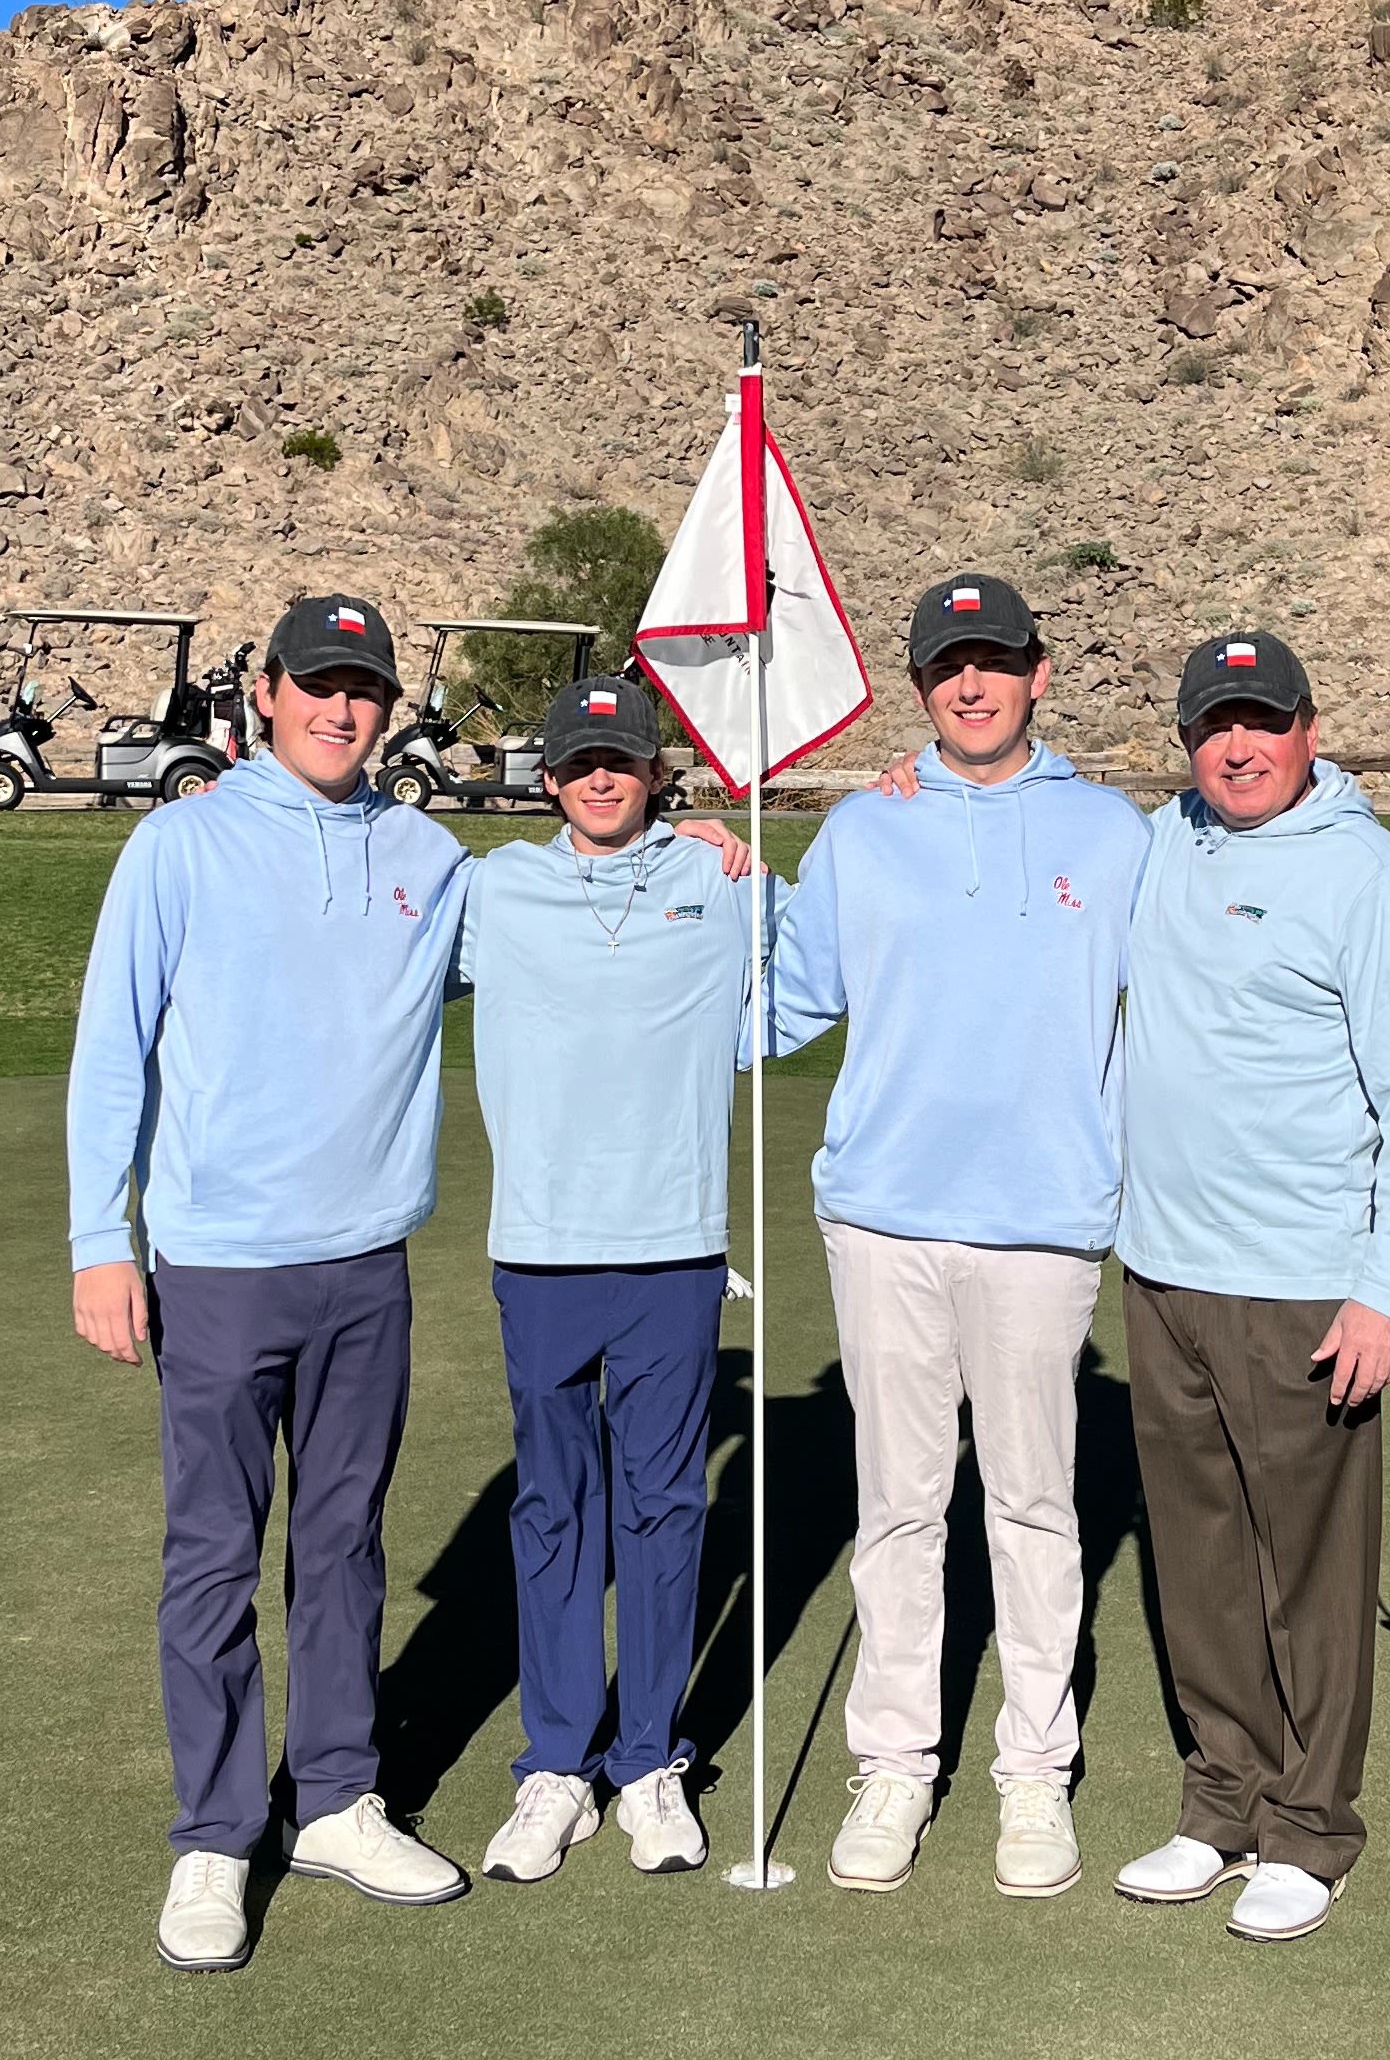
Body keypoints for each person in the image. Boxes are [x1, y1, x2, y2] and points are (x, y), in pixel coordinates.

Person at [65, 592, 474, 1973]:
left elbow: (557, 922)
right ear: (265, 686)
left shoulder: (429, 854)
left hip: (368, 1264)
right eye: (318, 684)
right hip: (221, 1265)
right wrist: (96, 1241)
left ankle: (340, 1799)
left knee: (346, 1546)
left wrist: (692, 850)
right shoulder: (180, 842)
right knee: (213, 1557)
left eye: (363, 688)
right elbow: (113, 1049)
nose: (340, 709)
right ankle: (215, 1836)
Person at [764, 572, 1152, 1900]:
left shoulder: (1114, 835)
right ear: (920, 683)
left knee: (1039, 1509)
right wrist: (705, 878)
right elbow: (781, 1005)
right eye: (947, 667)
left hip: (1045, 1223)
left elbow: (1182, 1005)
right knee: (900, 1509)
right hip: (884, 1216)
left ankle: (1035, 1775)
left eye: (994, 661)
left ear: (1039, 671)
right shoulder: (864, 832)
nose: (971, 685)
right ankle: (895, 1763)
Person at [1109, 629, 1390, 1945]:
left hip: (1307, 1282)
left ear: (1309, 726)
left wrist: (1387, 1289)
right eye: (1215, 725)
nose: (1238, 747)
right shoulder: (1163, 841)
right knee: (1198, 1558)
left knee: (1307, 1570)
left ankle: (1311, 1827)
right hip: (1164, 1268)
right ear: (1187, 737)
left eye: (1260, 720)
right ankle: (1224, 1801)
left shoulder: (1372, 876)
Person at [456, 672, 765, 1886]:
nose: (601, 777)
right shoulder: (494, 889)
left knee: (666, 1508)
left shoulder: (716, 880)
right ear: (548, 778)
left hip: (674, 1249)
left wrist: (752, 849)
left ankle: (647, 1763)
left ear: (655, 772)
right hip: (540, 1251)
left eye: (623, 760)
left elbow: (811, 973)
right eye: (582, 761)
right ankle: (556, 1763)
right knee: (553, 1509)